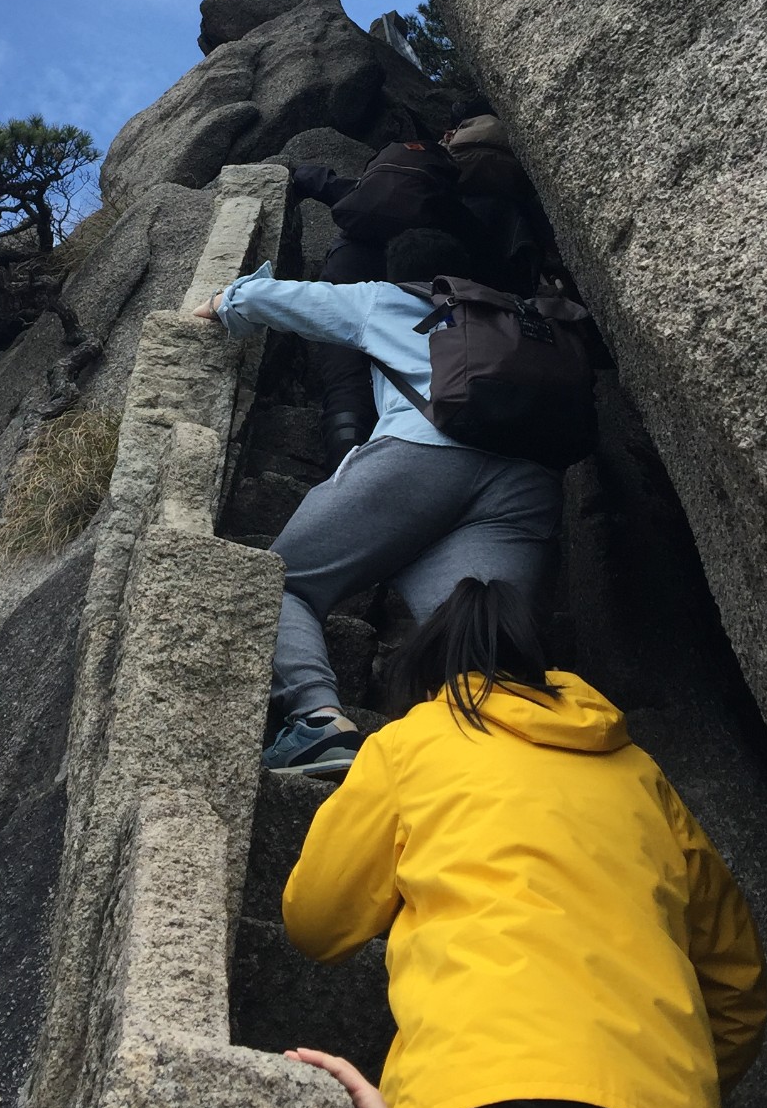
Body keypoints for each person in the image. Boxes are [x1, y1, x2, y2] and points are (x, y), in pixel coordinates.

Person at [281, 577, 767, 1108]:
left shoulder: (414, 740)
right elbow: (736, 987)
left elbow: (314, 922)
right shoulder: (641, 774)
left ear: (426, 670)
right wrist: (668, 1094)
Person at [194, 236, 563, 779]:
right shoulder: (528, 323)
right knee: (481, 637)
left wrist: (228, 301)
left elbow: (300, 302)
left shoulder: (402, 299)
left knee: (280, 581)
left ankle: (319, 724)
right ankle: (503, 771)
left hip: (425, 455)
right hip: (531, 485)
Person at [292, 108, 551, 466]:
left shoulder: (416, 177)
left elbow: (343, 189)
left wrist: (297, 175)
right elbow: (513, 281)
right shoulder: (509, 209)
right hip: (440, 292)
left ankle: (344, 450)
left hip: (356, 259)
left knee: (346, 359)